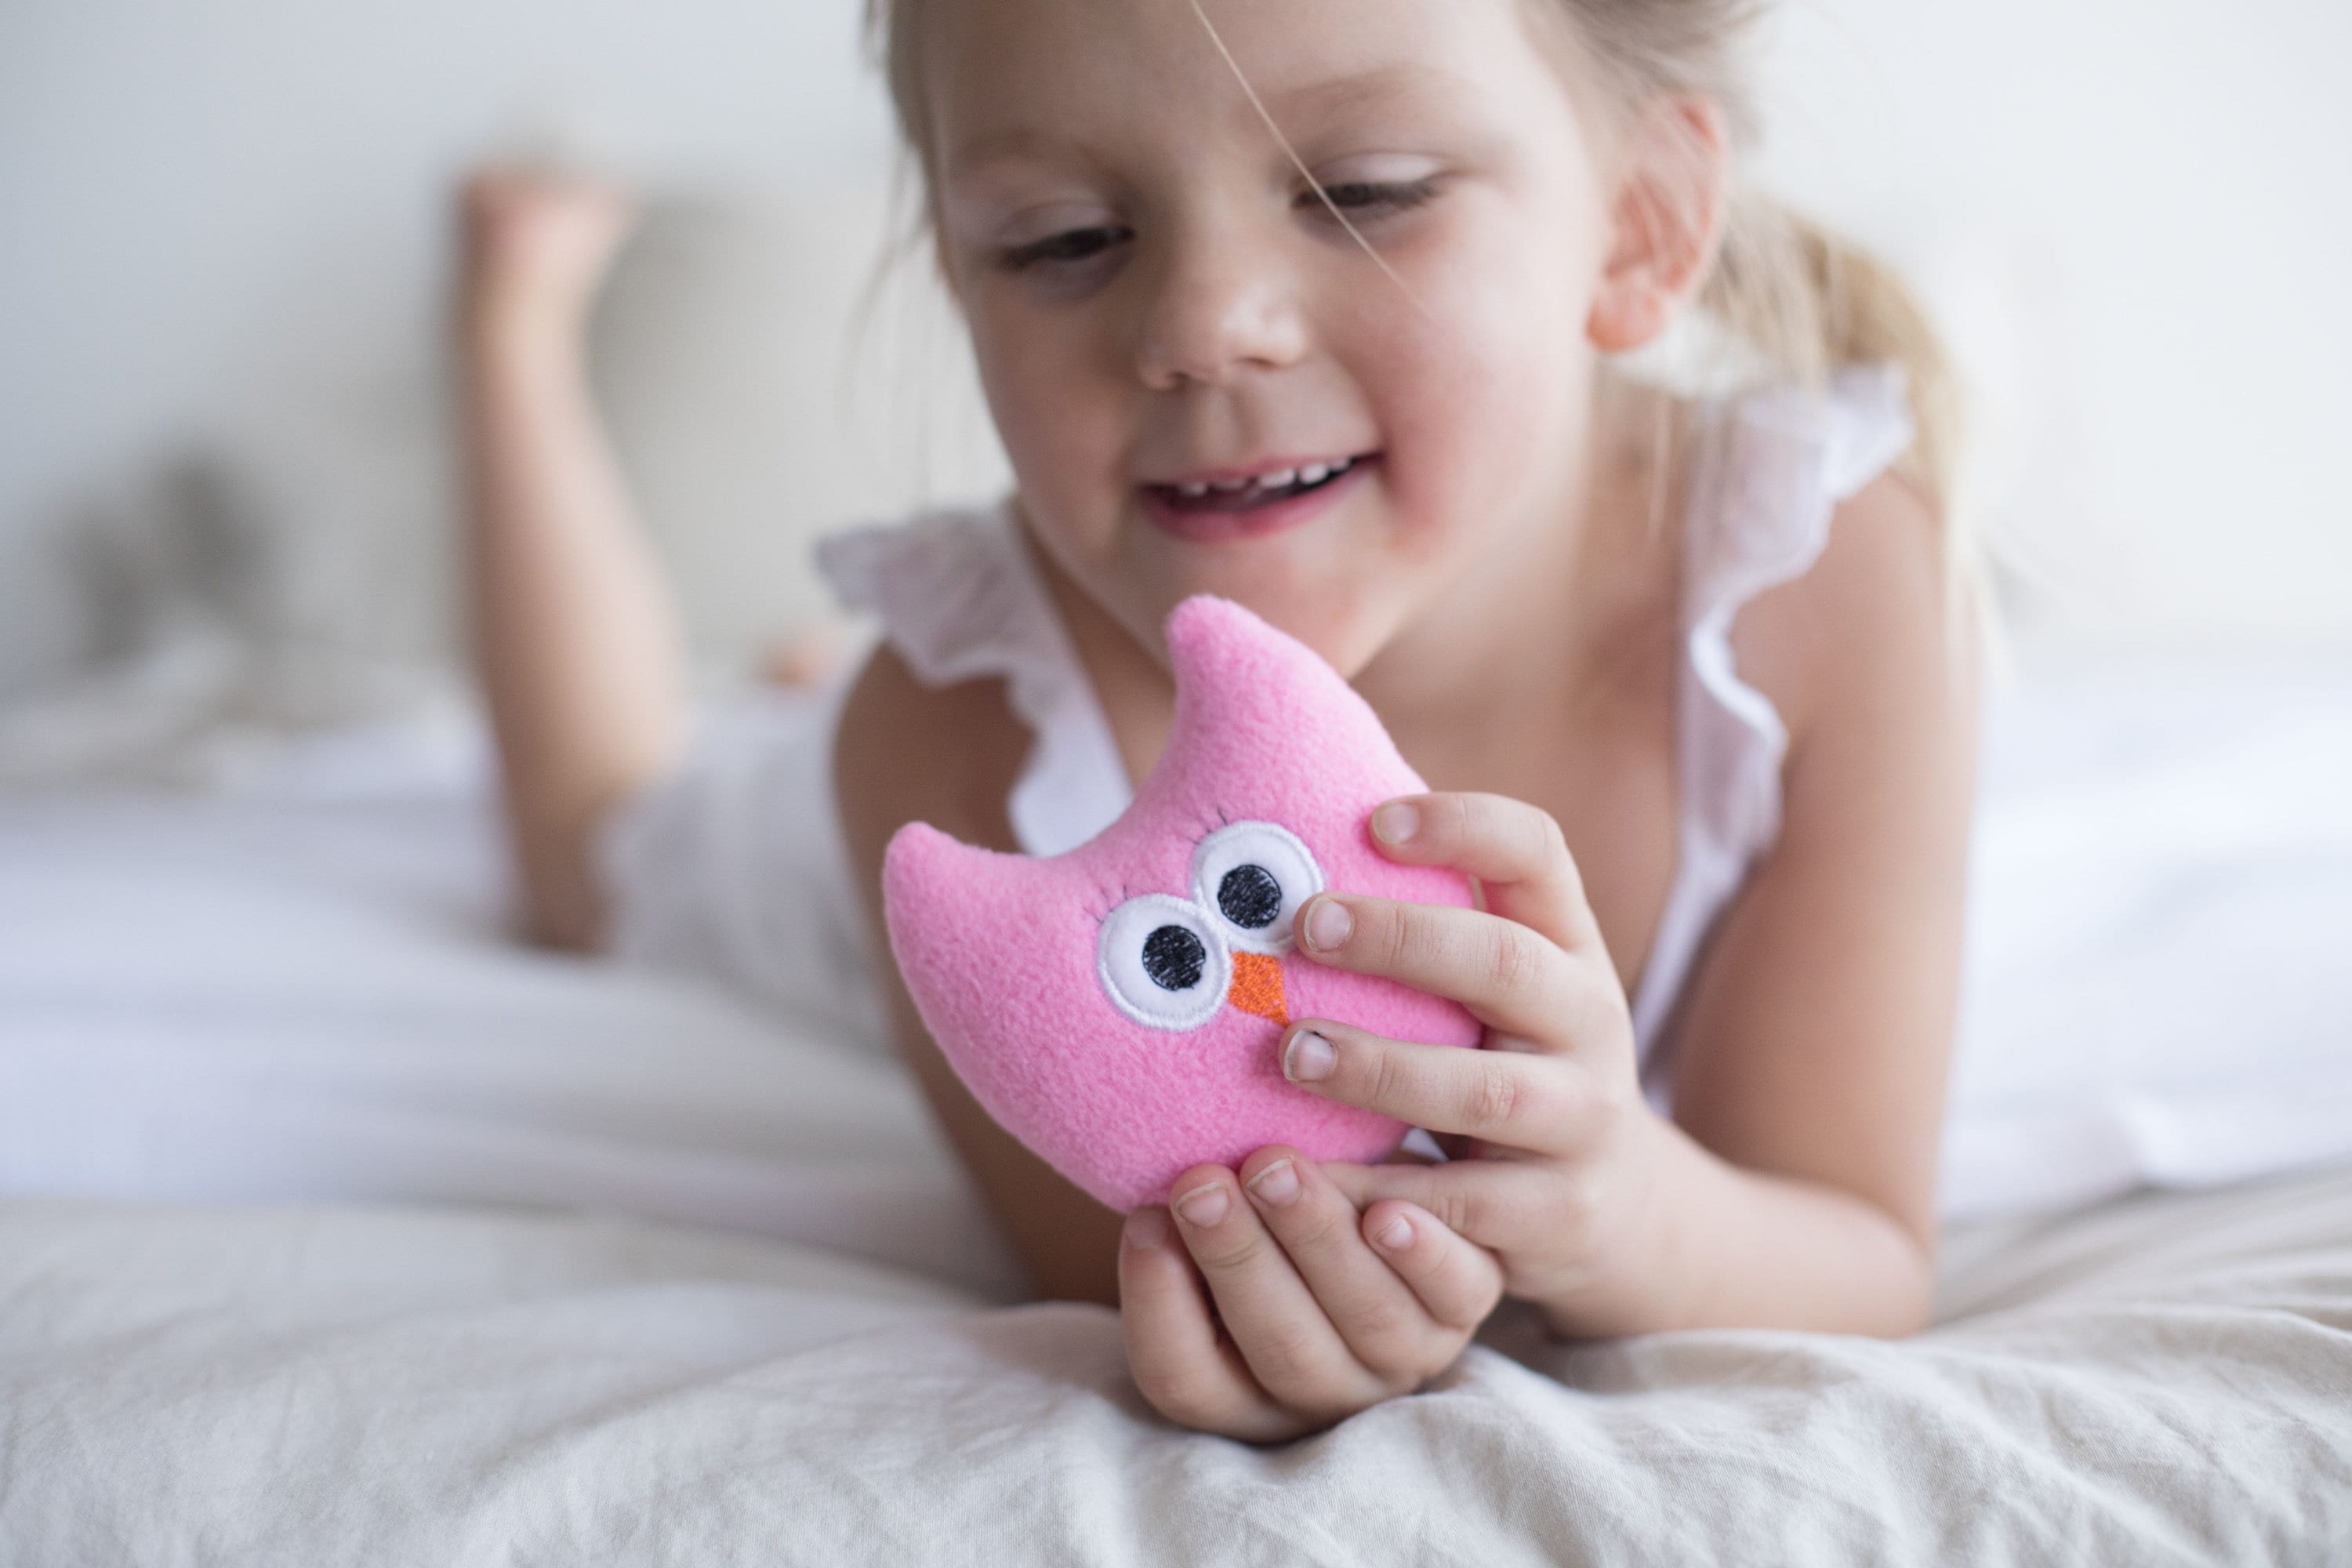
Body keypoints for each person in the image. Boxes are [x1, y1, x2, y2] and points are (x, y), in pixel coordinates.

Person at [457, 0, 1982, 1444]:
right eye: (1064, 240)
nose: (1201, 324)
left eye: (1364, 191)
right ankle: (511, 318)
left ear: (1637, 223)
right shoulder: (947, 736)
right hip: (881, 829)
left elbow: (1855, 1244)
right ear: (954, 272)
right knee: (597, 861)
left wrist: (1627, 1206)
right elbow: (1149, 1257)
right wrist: (1264, 1327)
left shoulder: (1824, 594)